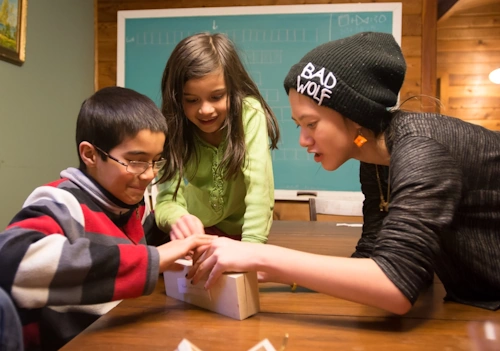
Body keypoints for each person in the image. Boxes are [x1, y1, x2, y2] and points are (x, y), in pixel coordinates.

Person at [187, 32, 500, 314]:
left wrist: (261, 257)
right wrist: (276, 273)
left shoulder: (422, 149)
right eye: (299, 126)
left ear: (355, 115)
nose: (303, 140)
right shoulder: (377, 158)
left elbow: (396, 285)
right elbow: (372, 258)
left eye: (311, 124)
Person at [0, 86, 214, 350]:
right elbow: (12, 262)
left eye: (156, 161)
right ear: (90, 154)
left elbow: (133, 250)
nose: (149, 174)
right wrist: (155, 259)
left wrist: (175, 228)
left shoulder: (129, 205)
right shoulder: (60, 202)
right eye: (136, 161)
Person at [154, 32, 280, 243]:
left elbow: (259, 188)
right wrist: (179, 219)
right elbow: (166, 200)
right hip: (197, 232)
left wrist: (251, 247)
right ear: (177, 99)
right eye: (192, 100)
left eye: (217, 96)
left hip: (242, 233)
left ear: (233, 90)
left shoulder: (249, 113)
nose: (205, 110)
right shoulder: (172, 124)